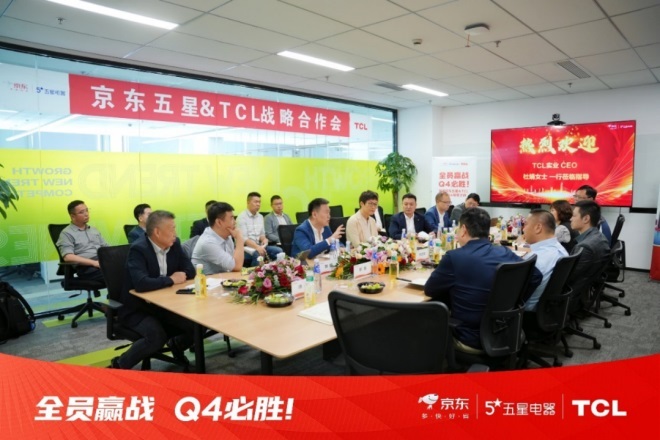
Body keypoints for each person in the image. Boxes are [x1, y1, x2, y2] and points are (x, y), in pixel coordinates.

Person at [424, 207, 541, 352]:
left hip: (470, 336)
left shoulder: (454, 257)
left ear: (463, 230)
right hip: (505, 330)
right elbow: (536, 276)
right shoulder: (505, 252)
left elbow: (430, 290)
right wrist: (515, 305)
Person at [112, 210, 196, 370]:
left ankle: (177, 345)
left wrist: (177, 276)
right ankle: (120, 364)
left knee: (197, 324)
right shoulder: (139, 249)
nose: (175, 233)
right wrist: (171, 279)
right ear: (157, 232)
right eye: (172, 228)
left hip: (165, 304)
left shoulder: (175, 243)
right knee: (156, 336)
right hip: (138, 308)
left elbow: (190, 270)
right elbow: (141, 283)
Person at [521, 209, 568, 312]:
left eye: (525, 225)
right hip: (547, 308)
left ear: (538, 228)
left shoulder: (534, 260)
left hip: (527, 310)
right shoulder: (561, 250)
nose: (523, 229)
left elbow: (514, 293)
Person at [568, 200, 611, 306]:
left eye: (574, 216)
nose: (570, 219)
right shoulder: (600, 237)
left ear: (586, 219)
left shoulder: (584, 247)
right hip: (584, 289)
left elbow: (568, 277)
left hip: (571, 295)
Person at [56, 200, 108, 283]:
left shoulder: (94, 230)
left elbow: (106, 248)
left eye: (87, 210)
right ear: (72, 216)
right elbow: (68, 257)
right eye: (81, 212)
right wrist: (94, 263)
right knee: (117, 274)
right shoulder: (66, 233)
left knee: (126, 268)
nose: (86, 214)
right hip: (87, 267)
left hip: (102, 262)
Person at [192, 202, 244, 274]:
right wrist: (239, 238)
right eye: (231, 218)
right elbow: (237, 266)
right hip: (207, 280)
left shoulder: (227, 235)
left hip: (224, 277)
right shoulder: (208, 242)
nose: (235, 222)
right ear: (219, 222)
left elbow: (234, 264)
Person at [236, 192, 283, 266]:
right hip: (246, 248)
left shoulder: (260, 217)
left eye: (259, 202)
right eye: (255, 202)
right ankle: (256, 273)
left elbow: (262, 234)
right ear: (248, 202)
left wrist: (264, 239)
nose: (258, 204)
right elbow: (244, 239)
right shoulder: (242, 218)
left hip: (259, 246)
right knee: (258, 254)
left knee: (279, 251)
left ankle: (273, 271)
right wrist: (257, 247)